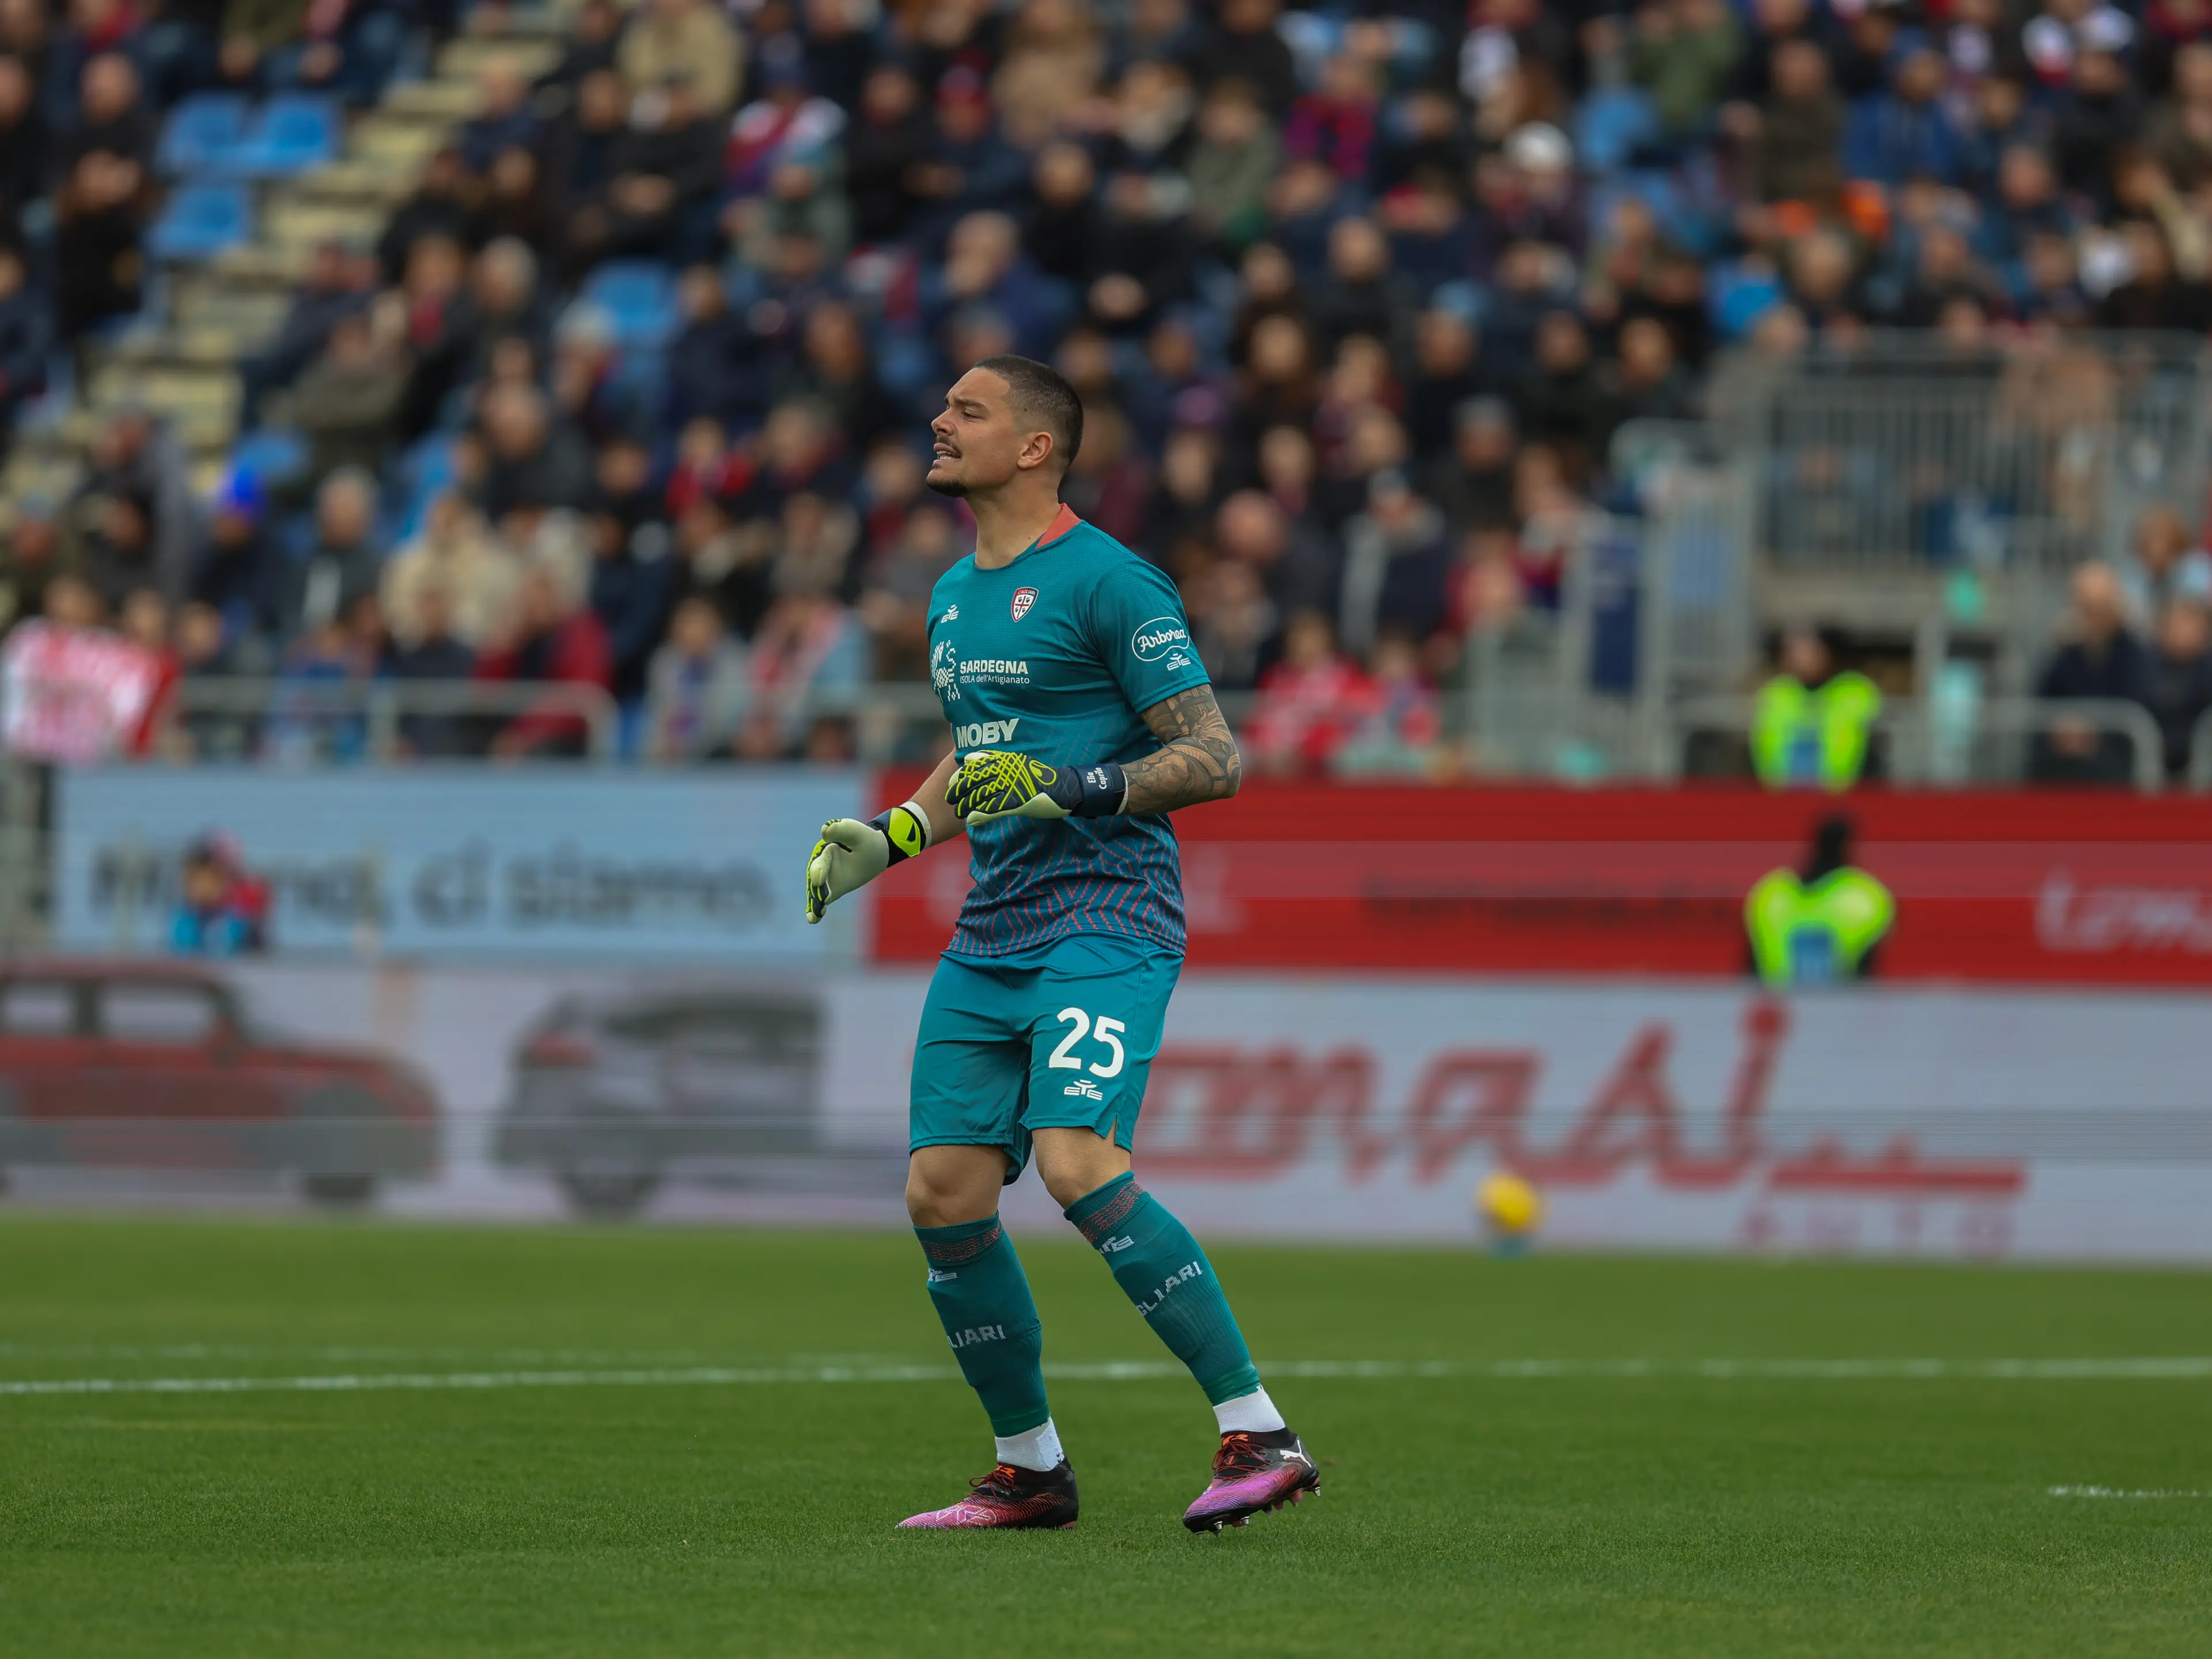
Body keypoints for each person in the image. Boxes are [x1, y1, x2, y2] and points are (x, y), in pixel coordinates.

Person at [799, 355, 1318, 1533]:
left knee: (1077, 1160)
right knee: (942, 1192)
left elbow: (1215, 757)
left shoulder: (1110, 581)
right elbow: (982, 751)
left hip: (1109, 913)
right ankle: (1029, 1469)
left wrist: (1073, 786)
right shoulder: (951, 594)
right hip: (993, 928)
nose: (939, 421)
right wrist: (895, 834)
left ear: (1035, 446)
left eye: (968, 411)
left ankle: (1261, 1432)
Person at [1745, 815, 1894, 988]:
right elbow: (1867, 973)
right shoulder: (1866, 897)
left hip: (1778, 1001)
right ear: (1847, 846)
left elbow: (1749, 969)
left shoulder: (1771, 894)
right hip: (1840, 1003)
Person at [1751, 625, 1881, 790]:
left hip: (1844, 791)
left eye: (1809, 652)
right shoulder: (1776, 691)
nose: (1801, 658)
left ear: (1829, 653)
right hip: (1782, 793)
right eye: (1794, 652)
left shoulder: (1855, 689)